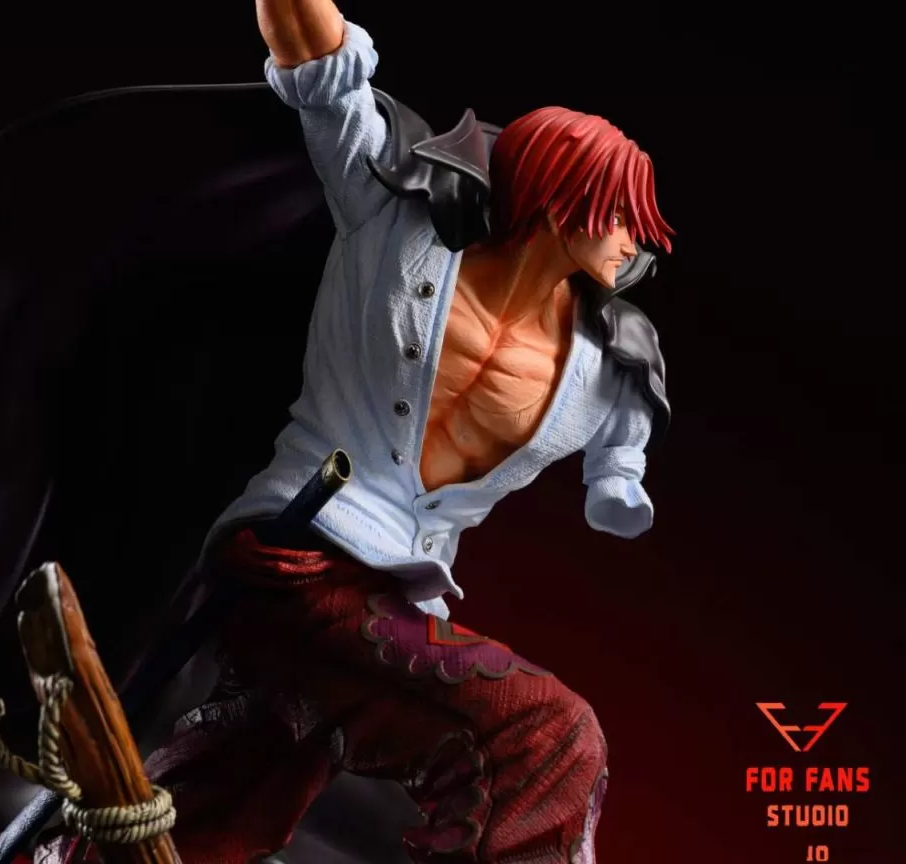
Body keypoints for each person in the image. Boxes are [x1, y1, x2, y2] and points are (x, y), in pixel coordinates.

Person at [43, 2, 674, 862]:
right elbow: (321, 64)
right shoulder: (390, 218)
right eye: (621, 214)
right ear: (564, 195)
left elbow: (624, 449)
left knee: (222, 806)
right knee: (547, 736)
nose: (635, 243)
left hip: (396, 594)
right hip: (296, 553)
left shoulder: (608, 368)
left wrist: (620, 483)